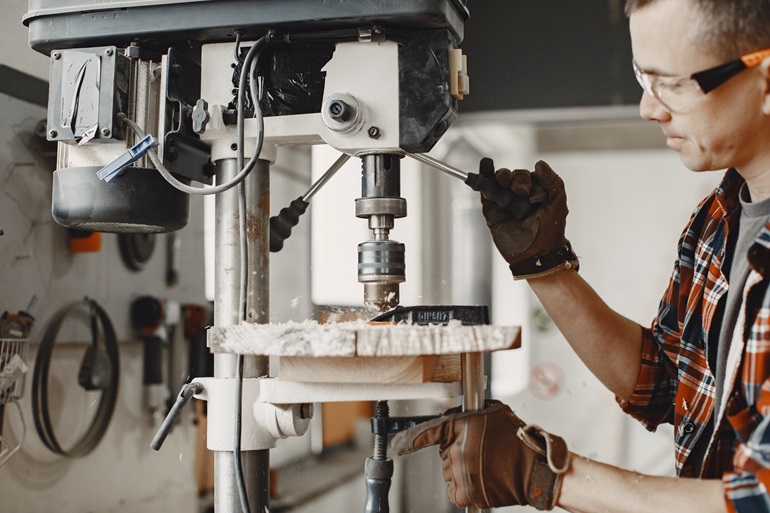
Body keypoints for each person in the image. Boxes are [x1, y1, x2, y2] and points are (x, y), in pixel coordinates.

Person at [391, 0, 770, 511]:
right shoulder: (718, 219)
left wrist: (546, 473)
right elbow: (665, 384)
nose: (649, 107)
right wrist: (544, 266)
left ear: (764, 77)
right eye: (643, 76)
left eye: (673, 83)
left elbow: (760, 497)